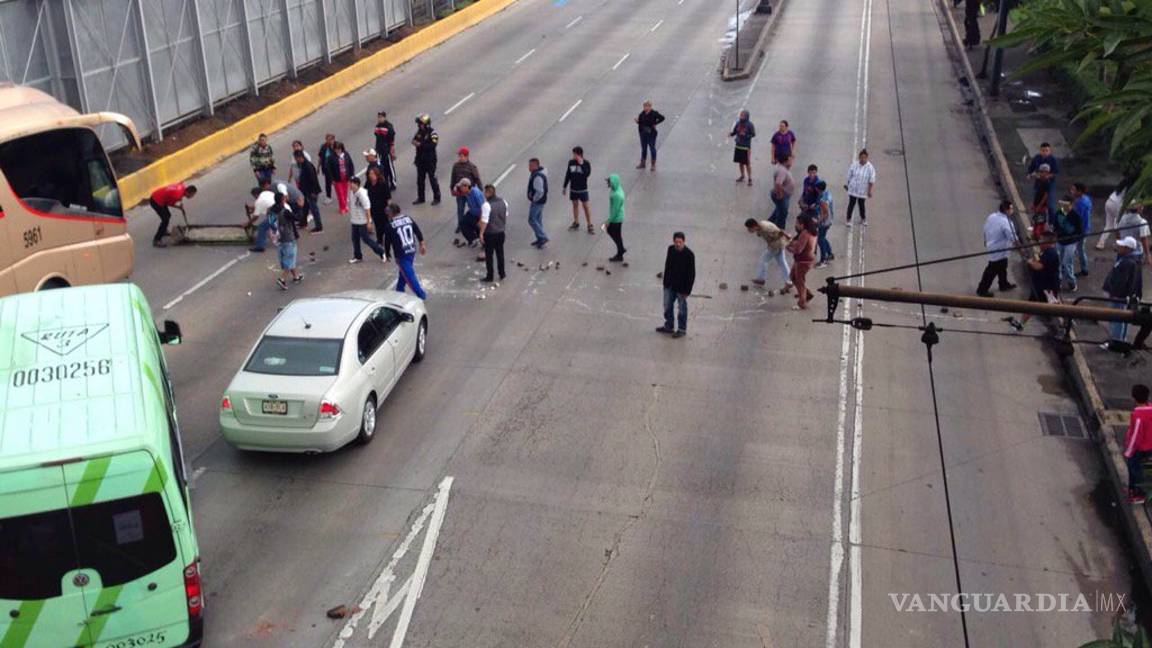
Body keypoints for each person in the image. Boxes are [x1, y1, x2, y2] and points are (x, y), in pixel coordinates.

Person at [1007, 231, 1061, 332]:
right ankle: (1020, 324)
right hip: (1041, 285)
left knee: (1053, 307)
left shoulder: (1051, 253)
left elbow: (1038, 266)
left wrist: (1030, 261)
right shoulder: (1046, 252)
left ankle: (1064, 326)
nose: (1039, 242)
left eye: (1041, 240)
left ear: (1047, 242)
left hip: (1048, 288)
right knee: (1031, 305)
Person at [1102, 237, 1144, 350]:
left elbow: (1121, 282)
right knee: (1123, 320)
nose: (1119, 247)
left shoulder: (1127, 262)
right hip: (1126, 297)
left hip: (1119, 297)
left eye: (1121, 246)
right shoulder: (1134, 260)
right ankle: (1121, 341)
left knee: (1117, 320)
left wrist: (1114, 293)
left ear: (1127, 248)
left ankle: (1115, 343)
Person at [383, 202, 427, 299]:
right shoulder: (408, 218)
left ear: (391, 213)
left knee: (409, 277)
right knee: (404, 273)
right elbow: (417, 230)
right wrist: (422, 244)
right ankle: (399, 291)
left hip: (401, 254)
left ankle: (421, 295)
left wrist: (387, 253)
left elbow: (387, 241)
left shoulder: (390, 225)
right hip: (411, 249)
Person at [976, 200, 1019, 297]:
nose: (1012, 210)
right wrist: (1020, 248)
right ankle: (982, 289)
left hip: (992, 245)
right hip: (999, 249)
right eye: (1011, 209)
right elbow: (1013, 237)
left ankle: (1003, 284)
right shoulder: (1006, 223)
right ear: (1006, 210)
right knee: (992, 269)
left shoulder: (992, 216)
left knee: (1003, 265)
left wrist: (985, 240)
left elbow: (985, 229)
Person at [656, 232, 695, 338]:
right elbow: (667, 266)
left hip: (682, 287)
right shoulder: (670, 249)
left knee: (682, 309)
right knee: (667, 305)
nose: (677, 244)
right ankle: (669, 325)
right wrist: (665, 283)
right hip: (669, 285)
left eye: (680, 242)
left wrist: (687, 291)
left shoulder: (689, 254)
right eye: (676, 242)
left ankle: (682, 329)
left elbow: (691, 274)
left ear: (684, 241)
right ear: (673, 241)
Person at [745, 217, 792, 295]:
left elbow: (780, 232)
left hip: (776, 245)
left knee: (764, 260)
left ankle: (760, 279)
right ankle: (789, 281)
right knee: (782, 262)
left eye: (749, 228)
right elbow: (760, 233)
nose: (749, 230)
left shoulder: (766, 228)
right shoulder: (760, 226)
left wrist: (788, 237)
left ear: (754, 226)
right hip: (775, 245)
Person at [1124, 384, 1152, 504]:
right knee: (1147, 468)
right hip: (1150, 446)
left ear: (1134, 398)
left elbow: (1135, 437)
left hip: (1141, 448)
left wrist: (1128, 452)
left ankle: (1137, 494)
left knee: (1134, 469)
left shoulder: (1138, 416)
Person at [348, 177, 386, 263]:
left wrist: (369, 222)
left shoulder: (362, 195)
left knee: (366, 239)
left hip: (362, 221)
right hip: (354, 220)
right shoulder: (351, 192)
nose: (350, 185)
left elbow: (367, 208)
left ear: (357, 184)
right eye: (350, 183)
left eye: (352, 183)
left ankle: (381, 251)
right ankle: (358, 256)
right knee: (355, 239)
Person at [148, 182, 197, 247]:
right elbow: (169, 203)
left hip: (159, 196)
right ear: (188, 193)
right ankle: (156, 240)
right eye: (192, 195)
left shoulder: (182, 186)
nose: (192, 197)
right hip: (155, 201)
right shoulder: (177, 196)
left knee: (168, 215)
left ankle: (164, 230)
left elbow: (180, 183)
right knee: (165, 219)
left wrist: (179, 203)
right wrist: (178, 207)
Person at [270, 192, 302, 290]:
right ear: (283, 200)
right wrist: (300, 207)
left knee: (288, 258)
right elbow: (297, 218)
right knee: (289, 259)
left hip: (278, 238)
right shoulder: (285, 212)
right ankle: (282, 279)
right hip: (288, 238)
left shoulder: (271, 210)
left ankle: (296, 276)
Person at [784, 216, 817, 310]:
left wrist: (788, 248)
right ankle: (807, 294)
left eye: (798, 223)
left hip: (803, 261)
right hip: (804, 260)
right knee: (793, 277)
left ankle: (802, 302)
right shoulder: (811, 231)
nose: (796, 225)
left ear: (803, 224)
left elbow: (799, 249)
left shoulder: (805, 234)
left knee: (800, 281)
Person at [1052, 197, 1082, 292]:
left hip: (1071, 243)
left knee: (1066, 263)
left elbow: (1080, 231)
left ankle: (1072, 282)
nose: (1065, 207)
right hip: (1060, 241)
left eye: (1067, 205)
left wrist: (1075, 240)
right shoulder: (1058, 213)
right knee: (1058, 262)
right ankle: (1058, 281)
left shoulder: (1075, 216)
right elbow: (1055, 226)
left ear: (1071, 205)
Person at [479, 185, 508, 282]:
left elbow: (485, 221)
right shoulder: (503, 202)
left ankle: (490, 276)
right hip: (500, 232)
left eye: (485, 192)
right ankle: (502, 273)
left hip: (490, 234)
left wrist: (481, 233)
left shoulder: (486, 205)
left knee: (489, 255)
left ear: (488, 193)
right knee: (500, 254)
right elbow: (505, 215)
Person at [451, 147, 483, 232]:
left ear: (466, 156)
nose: (460, 158)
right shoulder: (456, 166)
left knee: (473, 209)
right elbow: (453, 177)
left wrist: (480, 190)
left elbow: (477, 179)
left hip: (469, 192)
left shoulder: (472, 167)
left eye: (461, 156)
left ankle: (474, 225)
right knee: (460, 208)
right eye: (459, 156)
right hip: (460, 192)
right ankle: (460, 225)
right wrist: (452, 188)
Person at [412, 114, 441, 205]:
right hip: (420, 160)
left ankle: (437, 197)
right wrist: (415, 142)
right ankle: (421, 198)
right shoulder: (419, 132)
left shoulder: (433, 133)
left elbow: (432, 145)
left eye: (420, 124)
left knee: (432, 179)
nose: (419, 125)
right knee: (420, 180)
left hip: (430, 160)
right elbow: (414, 140)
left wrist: (421, 145)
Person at [563, 146, 594, 233]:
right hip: (573, 189)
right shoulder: (571, 162)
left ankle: (589, 224)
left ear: (579, 154)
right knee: (575, 205)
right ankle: (576, 222)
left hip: (583, 189)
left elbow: (587, 174)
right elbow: (568, 174)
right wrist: (564, 186)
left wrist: (581, 164)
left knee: (585, 206)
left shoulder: (586, 163)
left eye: (574, 154)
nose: (573, 155)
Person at [293, 150, 323, 232]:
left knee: (314, 209)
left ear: (300, 157)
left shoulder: (307, 166)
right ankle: (303, 222)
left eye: (296, 158)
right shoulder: (302, 165)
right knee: (305, 207)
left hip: (311, 191)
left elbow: (313, 179)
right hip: (306, 191)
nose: (295, 160)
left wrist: (313, 192)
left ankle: (319, 226)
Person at [1098, 177, 1133, 250]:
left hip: (1109, 202)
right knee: (1120, 226)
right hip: (1117, 205)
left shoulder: (1122, 185)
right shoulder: (1131, 188)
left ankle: (1100, 243)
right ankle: (1119, 245)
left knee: (1109, 225)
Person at [843, 149, 875, 227]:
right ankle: (848, 219)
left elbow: (871, 180)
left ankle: (863, 219)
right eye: (861, 157)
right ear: (859, 157)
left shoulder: (870, 167)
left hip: (862, 191)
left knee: (861, 205)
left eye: (864, 158)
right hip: (853, 189)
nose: (863, 159)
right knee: (851, 204)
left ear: (867, 158)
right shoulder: (854, 165)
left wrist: (869, 191)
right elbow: (849, 175)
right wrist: (847, 185)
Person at [1027, 142, 1060, 216]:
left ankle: (1052, 222)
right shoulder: (1037, 158)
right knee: (1037, 200)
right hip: (1038, 182)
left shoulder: (1053, 160)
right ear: (1040, 151)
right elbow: (1031, 167)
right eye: (1043, 150)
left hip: (1050, 183)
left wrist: (1047, 176)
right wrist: (1029, 174)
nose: (1045, 152)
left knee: (1050, 204)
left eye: (1047, 150)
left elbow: (1055, 172)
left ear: (1050, 151)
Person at [1116, 202, 1152, 266]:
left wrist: (1119, 245)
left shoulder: (1122, 218)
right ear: (1140, 209)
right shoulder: (1142, 222)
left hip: (1123, 249)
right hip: (1135, 252)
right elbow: (1144, 239)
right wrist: (1148, 255)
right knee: (1134, 273)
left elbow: (1118, 232)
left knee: (1119, 271)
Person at [365, 167, 392, 247]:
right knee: (377, 225)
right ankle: (379, 240)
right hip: (373, 209)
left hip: (383, 209)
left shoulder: (382, 184)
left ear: (377, 174)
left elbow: (388, 198)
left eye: (372, 174)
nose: (371, 176)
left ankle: (388, 239)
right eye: (370, 174)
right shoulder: (368, 184)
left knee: (385, 225)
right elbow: (364, 192)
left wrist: (389, 209)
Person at [635, 100, 666, 171]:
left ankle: (653, 165)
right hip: (643, 133)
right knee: (644, 148)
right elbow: (641, 122)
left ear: (649, 106)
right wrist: (638, 121)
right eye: (644, 106)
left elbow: (662, 118)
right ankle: (642, 163)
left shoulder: (654, 113)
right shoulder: (642, 113)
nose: (644, 107)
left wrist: (655, 123)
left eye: (646, 106)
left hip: (651, 133)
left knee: (652, 148)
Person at [326, 141, 355, 215]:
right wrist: (331, 179)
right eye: (336, 149)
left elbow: (351, 165)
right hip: (337, 179)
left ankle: (343, 206)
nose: (338, 150)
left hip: (346, 177)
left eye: (339, 148)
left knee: (345, 193)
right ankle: (342, 207)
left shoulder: (346, 154)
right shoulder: (331, 157)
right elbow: (328, 169)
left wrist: (352, 175)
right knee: (340, 194)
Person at [526, 158, 549, 248]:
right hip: (541, 201)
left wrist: (534, 199)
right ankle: (540, 238)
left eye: (530, 165)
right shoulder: (538, 174)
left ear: (535, 166)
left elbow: (540, 191)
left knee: (532, 219)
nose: (529, 167)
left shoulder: (537, 176)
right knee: (538, 220)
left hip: (538, 201)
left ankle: (543, 237)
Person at [1071, 182, 1093, 277]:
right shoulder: (1085, 199)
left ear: (1079, 191)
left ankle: (1084, 269)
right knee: (1080, 248)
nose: (1072, 191)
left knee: (1079, 249)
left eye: (1074, 190)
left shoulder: (1080, 203)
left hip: (1080, 230)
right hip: (1084, 228)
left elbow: (1079, 219)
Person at [248, 180, 276, 252]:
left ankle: (259, 246)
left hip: (274, 213)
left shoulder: (259, 201)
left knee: (262, 227)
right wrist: (253, 208)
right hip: (282, 209)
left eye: (254, 196)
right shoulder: (267, 193)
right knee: (272, 224)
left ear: (255, 194)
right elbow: (265, 203)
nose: (254, 198)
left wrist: (247, 223)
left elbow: (255, 217)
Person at [455, 179, 485, 247]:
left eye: (461, 187)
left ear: (466, 186)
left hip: (479, 214)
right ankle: (473, 239)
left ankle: (483, 242)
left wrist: (480, 220)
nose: (460, 189)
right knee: (462, 223)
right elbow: (455, 191)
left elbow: (482, 207)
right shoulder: (466, 193)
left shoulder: (476, 193)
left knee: (478, 226)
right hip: (472, 212)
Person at [729, 110, 756, 185]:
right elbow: (734, 132)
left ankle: (750, 178)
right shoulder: (738, 123)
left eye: (742, 115)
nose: (741, 117)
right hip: (738, 145)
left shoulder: (750, 125)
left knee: (747, 163)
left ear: (746, 116)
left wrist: (745, 135)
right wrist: (730, 134)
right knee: (740, 162)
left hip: (746, 147)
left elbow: (753, 134)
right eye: (740, 115)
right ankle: (742, 175)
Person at [373, 111, 398, 189]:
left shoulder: (389, 126)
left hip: (387, 150)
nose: (379, 119)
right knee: (382, 167)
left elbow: (391, 139)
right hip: (379, 150)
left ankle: (393, 182)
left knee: (389, 167)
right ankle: (385, 182)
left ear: (384, 117)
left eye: (381, 117)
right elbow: (377, 138)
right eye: (379, 117)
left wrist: (391, 149)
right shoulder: (377, 126)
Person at [770, 155, 796, 230]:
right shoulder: (782, 171)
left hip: (785, 195)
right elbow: (778, 183)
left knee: (779, 210)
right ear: (785, 161)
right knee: (782, 214)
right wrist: (780, 194)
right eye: (790, 160)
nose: (791, 162)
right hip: (783, 196)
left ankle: (768, 223)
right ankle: (780, 231)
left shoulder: (784, 168)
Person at [606, 174, 626, 262]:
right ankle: (620, 251)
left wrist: (609, 220)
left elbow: (615, 210)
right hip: (619, 217)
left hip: (616, 218)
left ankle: (620, 250)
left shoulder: (616, 195)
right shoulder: (617, 189)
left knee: (610, 230)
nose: (608, 183)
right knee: (617, 235)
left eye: (609, 182)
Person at [815, 181, 835, 267]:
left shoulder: (822, 199)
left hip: (824, 222)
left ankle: (823, 259)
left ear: (818, 189)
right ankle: (829, 253)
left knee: (820, 239)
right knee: (823, 237)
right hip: (830, 219)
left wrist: (818, 221)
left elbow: (825, 213)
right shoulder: (827, 193)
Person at [318, 134, 337, 204]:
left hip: (335, 169)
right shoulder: (323, 147)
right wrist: (318, 167)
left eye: (330, 140)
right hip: (326, 169)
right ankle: (328, 197)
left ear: (333, 140)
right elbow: (320, 157)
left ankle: (342, 195)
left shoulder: (337, 146)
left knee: (337, 182)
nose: (328, 141)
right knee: (328, 183)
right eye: (327, 139)